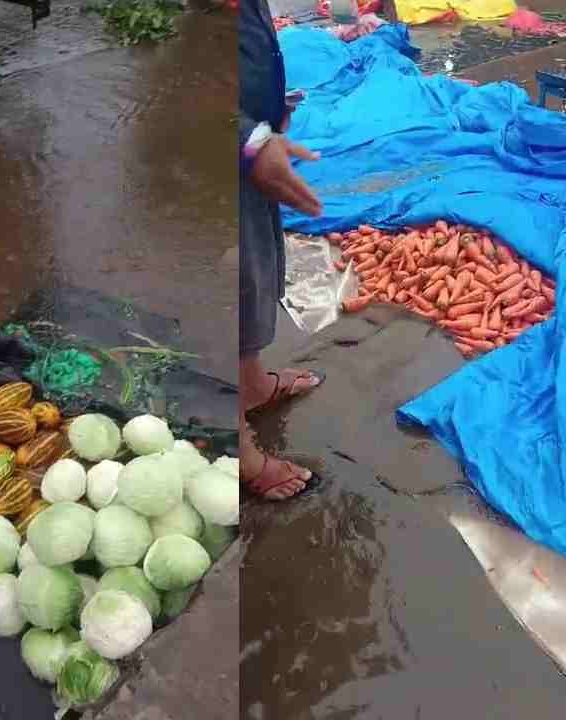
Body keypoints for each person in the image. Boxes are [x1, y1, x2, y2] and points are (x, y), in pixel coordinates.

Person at [238, 0, 326, 500]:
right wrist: (247, 139)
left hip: (247, 143)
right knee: (230, 287)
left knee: (257, 267)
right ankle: (242, 458)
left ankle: (251, 383)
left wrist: (266, 114)